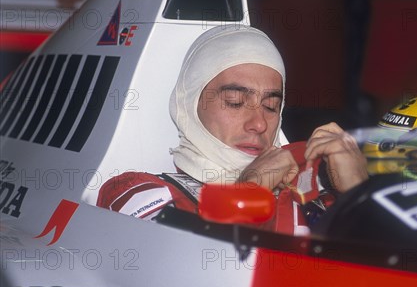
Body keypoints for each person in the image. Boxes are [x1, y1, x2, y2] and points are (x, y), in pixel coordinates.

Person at [97, 25, 368, 233]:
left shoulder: (317, 196)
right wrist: (249, 192)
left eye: (271, 106)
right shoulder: (135, 191)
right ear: (189, 104)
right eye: (235, 102)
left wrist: (360, 194)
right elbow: (181, 283)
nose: (259, 123)